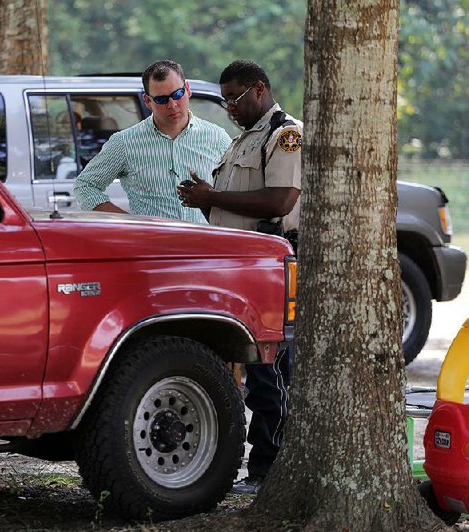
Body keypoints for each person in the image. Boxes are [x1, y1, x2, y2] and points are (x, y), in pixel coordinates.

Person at [178, 59, 302, 495]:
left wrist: (213, 195)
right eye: (224, 98)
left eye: (234, 97)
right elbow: (233, 207)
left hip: (270, 263)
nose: (228, 106)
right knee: (253, 372)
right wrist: (203, 199)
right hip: (239, 266)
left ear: (260, 90)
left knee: (273, 372)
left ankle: (269, 469)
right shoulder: (242, 141)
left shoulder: (284, 134)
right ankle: (261, 465)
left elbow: (280, 201)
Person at [73, 59, 231, 223]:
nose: (172, 104)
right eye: (162, 100)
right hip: (152, 244)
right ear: (148, 101)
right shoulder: (125, 143)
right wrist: (130, 223)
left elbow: (236, 190)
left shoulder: (217, 137)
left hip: (207, 242)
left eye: (177, 94)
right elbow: (85, 186)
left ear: (188, 90)